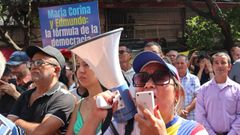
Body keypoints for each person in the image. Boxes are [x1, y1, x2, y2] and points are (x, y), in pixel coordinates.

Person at [74, 51, 208, 135]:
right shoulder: (121, 128)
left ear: (177, 94)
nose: (148, 84)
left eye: (160, 77)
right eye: (142, 78)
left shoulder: (193, 131)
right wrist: (93, 118)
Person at [7, 45, 75, 135]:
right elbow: (7, 125)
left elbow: (40, 132)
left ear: (56, 70)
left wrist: (18, 122)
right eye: (32, 63)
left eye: (39, 63)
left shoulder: (64, 98)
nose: (33, 67)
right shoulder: (25, 95)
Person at [196, 52, 240, 134]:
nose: (219, 65)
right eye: (216, 63)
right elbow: (200, 116)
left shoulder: (237, 90)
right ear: (212, 66)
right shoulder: (203, 90)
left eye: (223, 63)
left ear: (229, 66)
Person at [66, 56, 105, 135]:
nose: (80, 70)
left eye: (86, 64)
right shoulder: (79, 105)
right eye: (78, 66)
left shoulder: (114, 102)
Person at [0, 51, 25, 135]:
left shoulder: (35, 84)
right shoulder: (9, 83)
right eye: (11, 66)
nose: (13, 69)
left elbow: (32, 107)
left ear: (26, 64)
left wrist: (14, 93)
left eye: (16, 66)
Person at [175, 54, 200, 120]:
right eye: (177, 63)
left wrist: (187, 110)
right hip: (176, 116)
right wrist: (179, 111)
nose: (179, 65)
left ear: (187, 64)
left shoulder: (194, 79)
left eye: (182, 63)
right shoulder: (172, 79)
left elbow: (198, 97)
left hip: (192, 116)